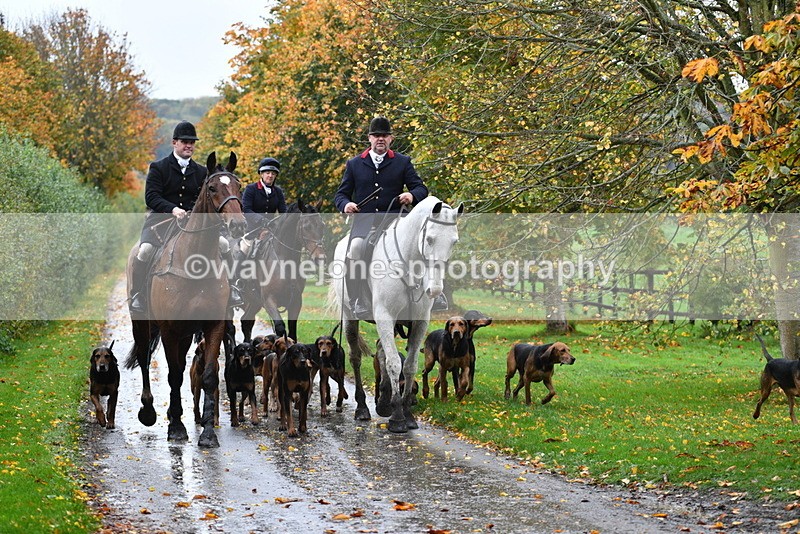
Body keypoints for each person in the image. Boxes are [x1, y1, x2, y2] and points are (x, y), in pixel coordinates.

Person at [129, 121, 241, 313]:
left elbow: (205, 199)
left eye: (192, 142)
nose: (189, 145)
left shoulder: (201, 171)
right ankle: (139, 294)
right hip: (162, 221)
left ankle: (233, 290)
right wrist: (173, 209)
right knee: (145, 250)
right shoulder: (159, 167)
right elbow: (152, 197)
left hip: (193, 223)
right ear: (174, 142)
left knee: (223, 245)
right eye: (184, 141)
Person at [334, 116, 433, 319]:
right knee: (356, 248)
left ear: (391, 139)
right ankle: (358, 299)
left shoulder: (402, 161)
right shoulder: (354, 164)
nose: (381, 139)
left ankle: (433, 293)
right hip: (366, 223)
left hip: (396, 221)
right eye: (377, 135)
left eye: (385, 136)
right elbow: (341, 195)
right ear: (369, 138)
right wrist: (346, 205)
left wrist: (412, 195)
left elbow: (421, 188)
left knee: (425, 243)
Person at [240, 157, 287, 254]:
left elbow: (283, 211)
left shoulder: (278, 192)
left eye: (273, 174)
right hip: (251, 230)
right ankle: (237, 269)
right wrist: (260, 220)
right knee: (245, 249)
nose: (270, 176)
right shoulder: (251, 189)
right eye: (267, 173)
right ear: (261, 174)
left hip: (271, 231)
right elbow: (246, 209)